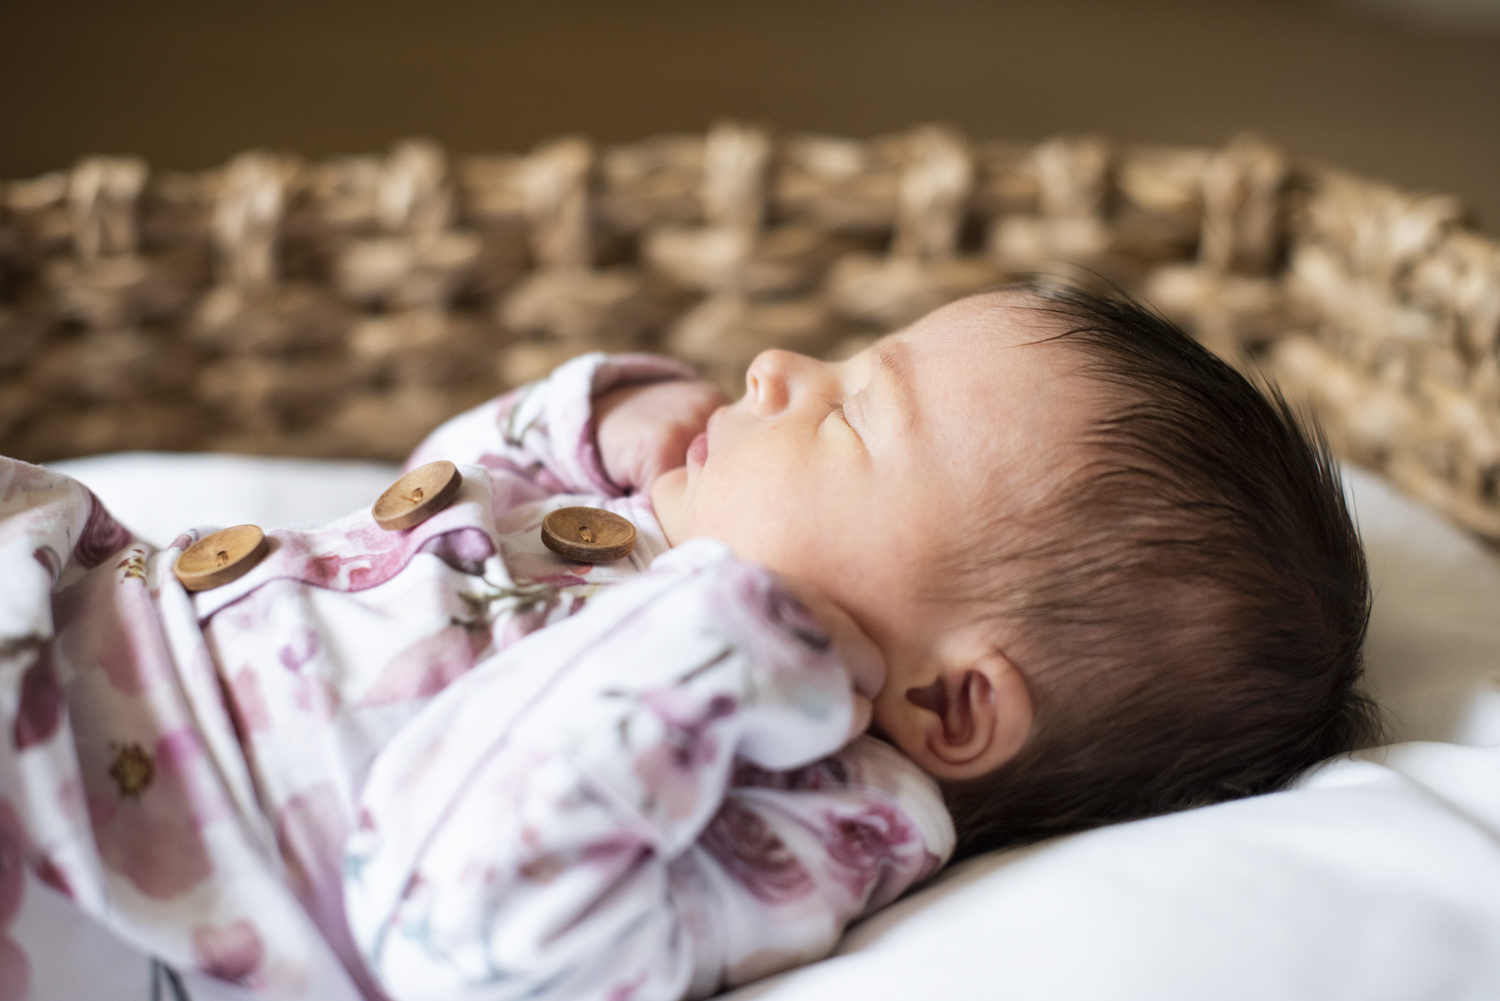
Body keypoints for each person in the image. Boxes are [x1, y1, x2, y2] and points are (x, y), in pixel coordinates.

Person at [0, 282, 1378, 1001]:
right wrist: (591, 427)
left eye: (848, 415)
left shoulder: (794, 823)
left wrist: (714, 638)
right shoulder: (645, 529)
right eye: (842, 355)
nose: (779, 368)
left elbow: (463, 937)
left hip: (79, 859)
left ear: (950, 702)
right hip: (66, 594)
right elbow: (418, 505)